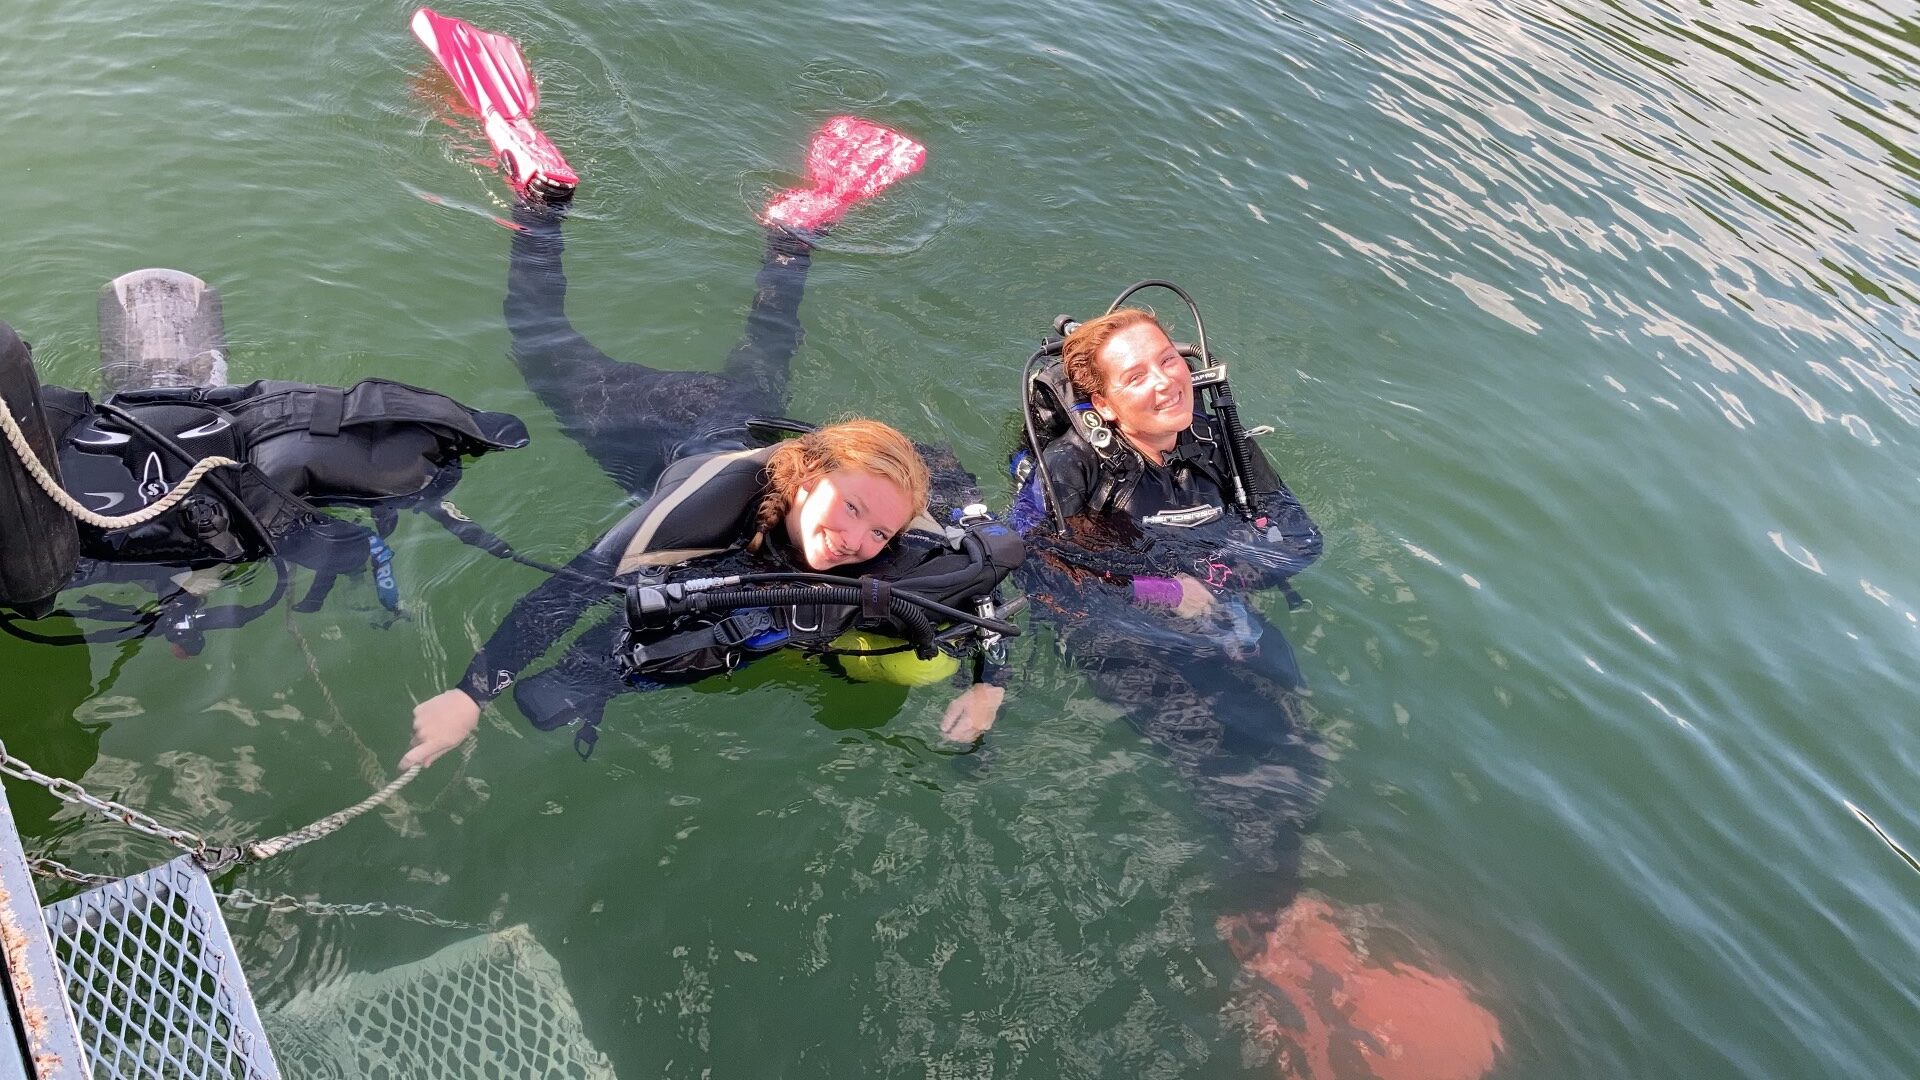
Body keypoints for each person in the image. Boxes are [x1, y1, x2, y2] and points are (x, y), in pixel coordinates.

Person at [401, 115, 1015, 769]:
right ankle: (543, 199)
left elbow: (984, 588)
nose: (858, 542)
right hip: (674, 430)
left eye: (877, 534)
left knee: (763, 364)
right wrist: (471, 695)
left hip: (751, 417)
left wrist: (988, 689)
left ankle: (795, 235)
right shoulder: (707, 503)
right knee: (539, 342)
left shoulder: (890, 525)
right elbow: (571, 589)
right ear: (808, 480)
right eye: (853, 509)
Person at [996, 299, 1501, 1078]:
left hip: (1212, 615)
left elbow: (1300, 538)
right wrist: (1164, 592)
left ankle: (1284, 898)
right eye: (1138, 375)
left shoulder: (1215, 436)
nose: (1167, 382)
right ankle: (1260, 933)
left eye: (1169, 359)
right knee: (1231, 766)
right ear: (1103, 403)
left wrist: (1205, 577)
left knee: (1297, 747)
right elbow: (1033, 557)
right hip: (1123, 635)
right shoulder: (1069, 470)